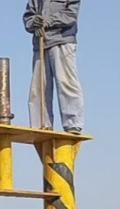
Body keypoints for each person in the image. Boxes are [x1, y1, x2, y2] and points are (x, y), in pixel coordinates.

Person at [23, 0, 84, 134]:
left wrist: (48, 21)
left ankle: (72, 124)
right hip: (41, 43)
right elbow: (28, 17)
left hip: (62, 41)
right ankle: (40, 124)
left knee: (66, 83)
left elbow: (71, 14)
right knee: (39, 88)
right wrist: (34, 22)